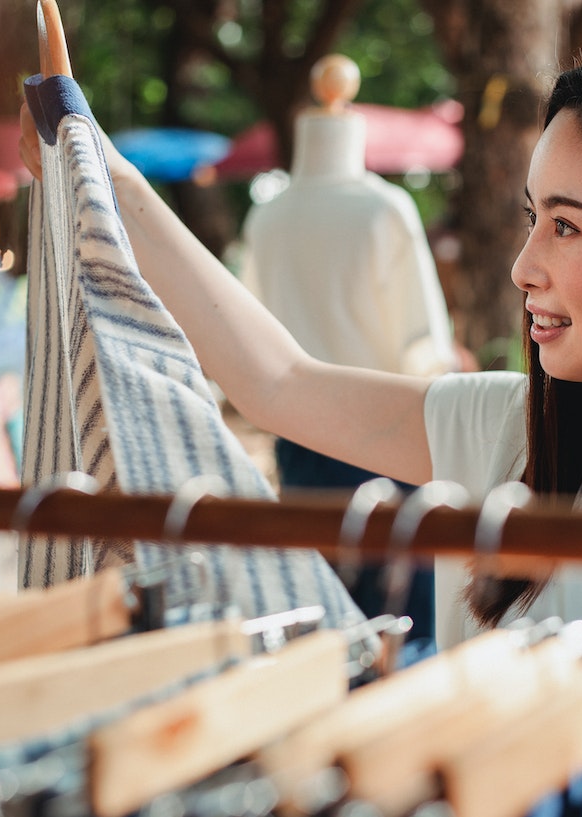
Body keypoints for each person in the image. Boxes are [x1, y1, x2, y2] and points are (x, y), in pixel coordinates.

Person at [20, 46, 582, 817]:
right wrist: (97, 169)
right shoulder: (504, 430)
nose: (523, 265)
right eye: (531, 218)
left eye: (566, 226)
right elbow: (279, 382)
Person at [238, 55, 458, 640]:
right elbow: (423, 344)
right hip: (385, 432)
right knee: (404, 627)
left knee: (323, 618)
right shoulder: (385, 210)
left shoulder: (267, 218)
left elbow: (247, 330)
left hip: (301, 437)